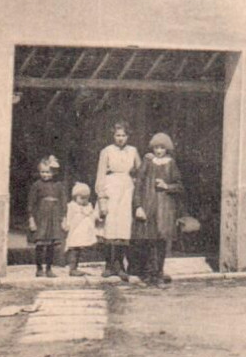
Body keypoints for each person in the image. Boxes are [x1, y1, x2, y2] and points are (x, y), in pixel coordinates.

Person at [132, 133, 184, 286]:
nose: (159, 151)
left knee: (161, 243)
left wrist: (167, 186)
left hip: (165, 210)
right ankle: (148, 275)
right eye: (156, 147)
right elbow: (139, 185)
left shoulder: (171, 164)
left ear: (167, 149)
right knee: (147, 241)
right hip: (149, 207)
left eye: (162, 148)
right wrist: (138, 206)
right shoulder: (147, 162)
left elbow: (179, 186)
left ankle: (159, 274)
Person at [95, 120, 141, 281]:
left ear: (128, 136)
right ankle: (109, 265)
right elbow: (101, 174)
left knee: (123, 228)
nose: (120, 138)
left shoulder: (133, 151)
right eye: (117, 135)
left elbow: (140, 172)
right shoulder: (106, 151)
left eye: (123, 135)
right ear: (113, 136)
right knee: (109, 228)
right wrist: (101, 197)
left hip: (127, 190)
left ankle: (121, 265)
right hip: (111, 188)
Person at [27, 155, 67, 277]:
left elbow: (63, 202)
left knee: (51, 245)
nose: (45, 175)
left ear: (54, 172)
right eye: (43, 172)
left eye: (48, 172)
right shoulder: (36, 185)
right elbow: (31, 203)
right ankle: (39, 268)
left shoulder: (59, 185)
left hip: (54, 217)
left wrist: (64, 218)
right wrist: (31, 219)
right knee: (40, 244)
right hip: (41, 218)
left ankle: (49, 268)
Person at [62, 182, 102, 276]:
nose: (84, 201)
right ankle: (72, 268)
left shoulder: (88, 206)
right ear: (75, 197)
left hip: (84, 233)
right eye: (81, 198)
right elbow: (69, 216)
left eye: (86, 198)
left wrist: (97, 217)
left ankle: (76, 267)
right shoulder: (72, 206)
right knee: (73, 249)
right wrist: (67, 224)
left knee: (79, 250)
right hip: (75, 232)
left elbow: (93, 215)